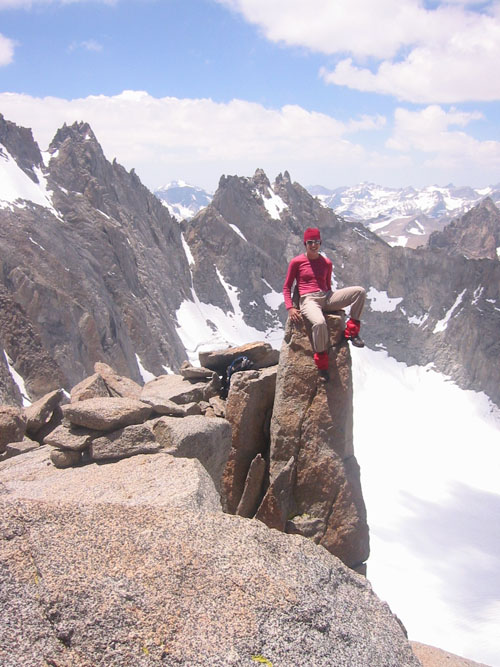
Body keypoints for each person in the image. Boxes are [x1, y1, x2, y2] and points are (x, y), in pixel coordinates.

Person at [283, 227, 366, 381]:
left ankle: (352, 332)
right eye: (310, 242)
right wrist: (290, 307)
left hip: (326, 296)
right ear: (305, 244)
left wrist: (335, 305)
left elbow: (327, 285)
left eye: (316, 242)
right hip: (308, 299)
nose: (313, 245)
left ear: (320, 243)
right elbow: (287, 287)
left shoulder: (326, 262)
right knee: (319, 323)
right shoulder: (297, 262)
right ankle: (322, 366)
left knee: (359, 292)